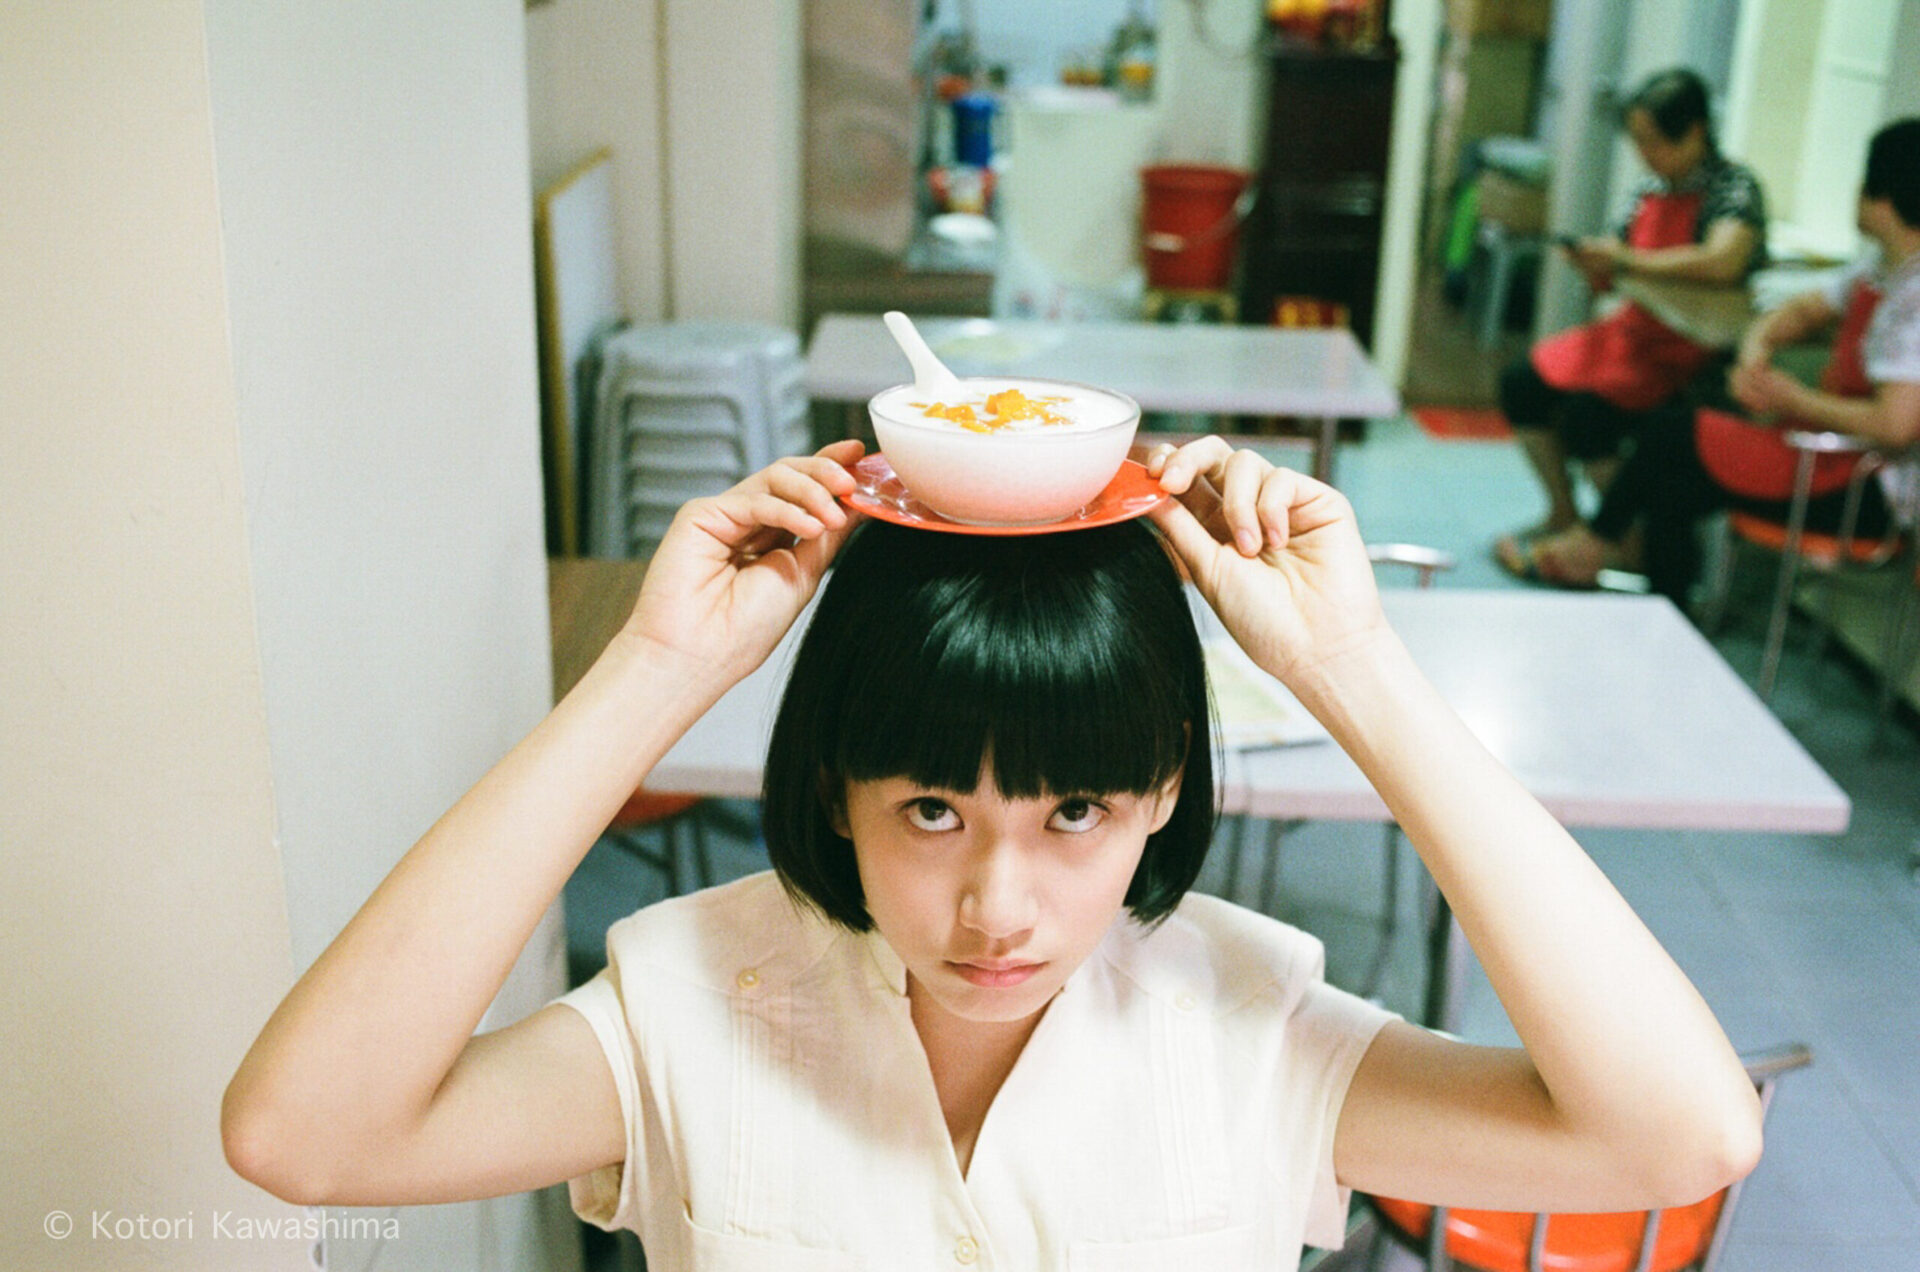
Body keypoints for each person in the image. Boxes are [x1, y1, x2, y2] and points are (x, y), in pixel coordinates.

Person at [222, 434, 1762, 1268]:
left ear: (1162, 793)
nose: (996, 907)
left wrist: (1350, 668)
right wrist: (657, 668)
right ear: (835, 790)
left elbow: (1680, 1138)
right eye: (931, 811)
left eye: (1073, 812)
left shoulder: (1254, 1035)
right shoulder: (692, 1004)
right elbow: (306, 1138)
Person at [1510, 119, 1920, 603]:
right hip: (1822, 453)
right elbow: (1804, 310)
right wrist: (1756, 348)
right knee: (1668, 489)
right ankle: (1660, 609)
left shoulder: (1913, 297)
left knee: (1672, 432)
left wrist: (1792, 399)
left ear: (1881, 198)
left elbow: (1896, 426)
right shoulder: (1879, 269)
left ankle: (1590, 546)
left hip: (1861, 487)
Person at [1497, 67, 1768, 575]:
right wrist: (1599, 266)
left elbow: (1723, 261)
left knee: (1589, 415)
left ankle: (1623, 539)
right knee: (1522, 383)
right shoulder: (1648, 190)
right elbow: (1620, 263)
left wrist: (1626, 261)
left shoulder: (1733, 189)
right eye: (1639, 142)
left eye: (1654, 141)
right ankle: (1563, 512)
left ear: (1694, 132)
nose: (1645, 154)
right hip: (1633, 332)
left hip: (1691, 348)